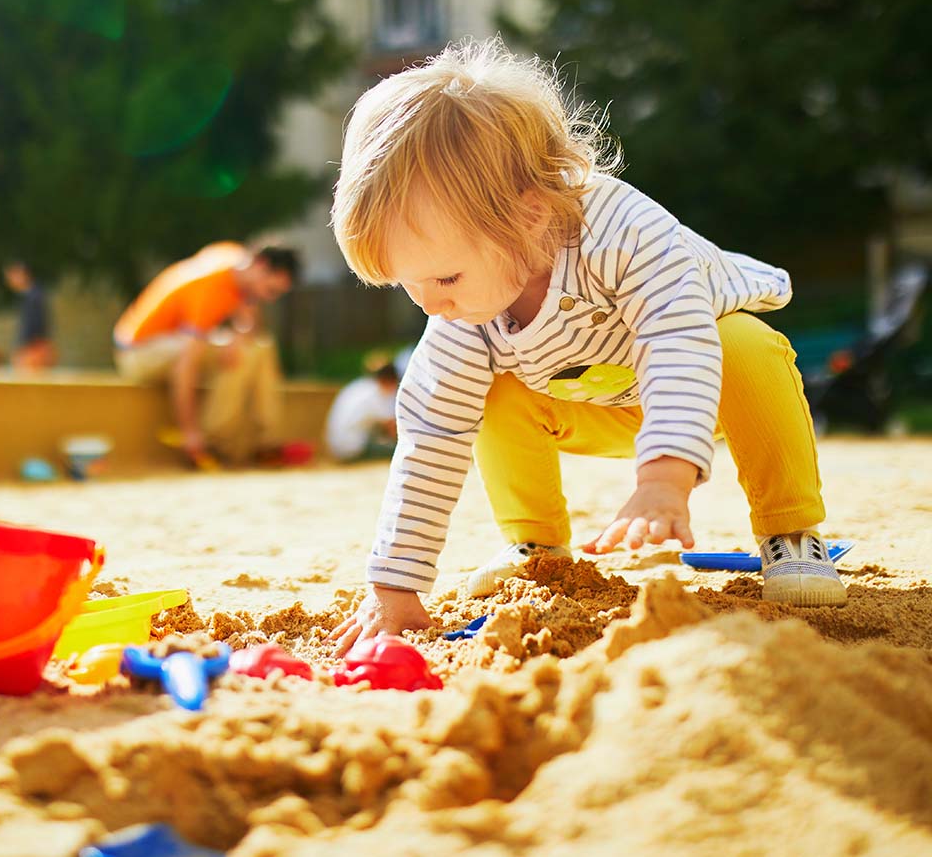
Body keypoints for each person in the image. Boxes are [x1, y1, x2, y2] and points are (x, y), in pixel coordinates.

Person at [328, 38, 846, 655]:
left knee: (747, 345)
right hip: (588, 402)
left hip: (699, 390)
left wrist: (663, 477)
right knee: (486, 391)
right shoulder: (463, 313)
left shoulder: (625, 233)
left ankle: (791, 532)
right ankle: (536, 546)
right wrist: (395, 585)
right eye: (408, 286)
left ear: (529, 216)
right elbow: (430, 437)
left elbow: (678, 340)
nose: (430, 306)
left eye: (444, 278)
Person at [113, 241, 299, 466]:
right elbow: (186, 365)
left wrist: (237, 336)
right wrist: (190, 430)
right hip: (139, 355)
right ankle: (212, 442)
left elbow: (249, 322)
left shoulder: (235, 259)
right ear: (261, 265)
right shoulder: (211, 288)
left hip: (164, 343)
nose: (271, 299)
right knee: (244, 354)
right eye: (271, 290)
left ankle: (263, 439)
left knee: (258, 347)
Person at [324, 362, 400, 462]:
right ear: (390, 380)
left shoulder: (358, 386)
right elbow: (392, 427)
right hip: (352, 449)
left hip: (335, 448)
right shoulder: (376, 393)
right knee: (397, 452)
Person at [3, 261, 56, 370]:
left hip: (33, 350)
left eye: (11, 277)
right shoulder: (33, 294)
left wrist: (22, 350)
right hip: (34, 348)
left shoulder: (33, 297)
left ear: (21, 274)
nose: (9, 282)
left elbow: (33, 326)